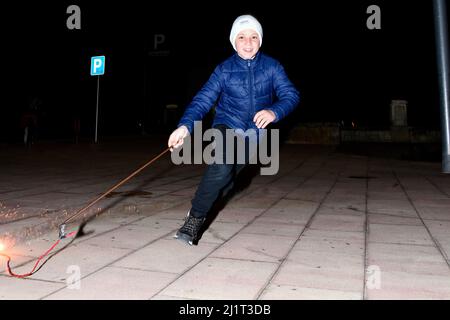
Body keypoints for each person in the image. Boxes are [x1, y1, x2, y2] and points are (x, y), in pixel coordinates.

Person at [168, 14, 300, 245]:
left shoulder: (272, 67)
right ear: (233, 41)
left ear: (260, 40)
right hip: (226, 124)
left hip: (254, 134)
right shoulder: (224, 70)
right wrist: (185, 126)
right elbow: (203, 100)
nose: (248, 42)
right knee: (221, 167)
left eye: (253, 37)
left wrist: (274, 111)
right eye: (241, 37)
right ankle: (195, 219)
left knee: (227, 181)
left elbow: (291, 95)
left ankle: (201, 209)